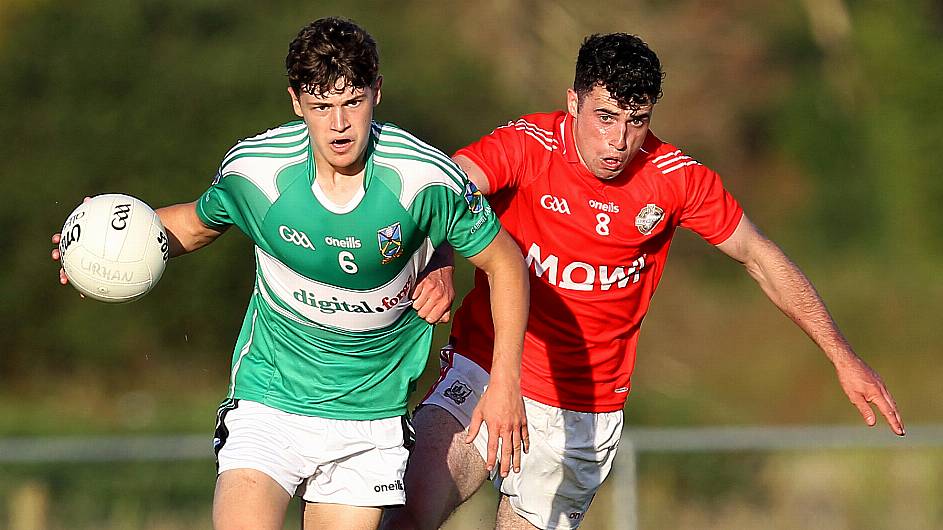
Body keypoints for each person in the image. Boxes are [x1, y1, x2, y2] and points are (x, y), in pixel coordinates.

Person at [383, 32, 905, 530]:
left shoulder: (675, 178)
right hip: (485, 369)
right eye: (605, 118)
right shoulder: (527, 145)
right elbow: (441, 190)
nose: (618, 140)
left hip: (584, 407)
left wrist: (842, 355)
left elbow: (759, 255)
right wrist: (441, 263)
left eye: (636, 121)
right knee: (407, 516)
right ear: (573, 103)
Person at [51, 17, 529, 530]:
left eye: (351, 102)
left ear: (377, 93)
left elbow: (505, 263)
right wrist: (108, 242)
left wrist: (505, 381)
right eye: (322, 106)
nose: (339, 124)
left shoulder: (425, 179)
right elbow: (192, 226)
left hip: (368, 416)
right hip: (270, 399)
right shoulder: (256, 173)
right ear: (296, 102)